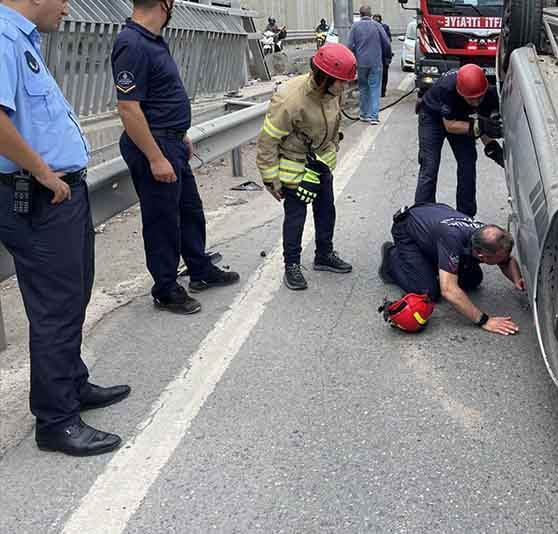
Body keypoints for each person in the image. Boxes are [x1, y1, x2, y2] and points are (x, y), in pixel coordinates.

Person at [0, 0, 131, 456]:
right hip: (37, 195)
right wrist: (43, 173)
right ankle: (56, 420)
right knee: (55, 306)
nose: (68, 6)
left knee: (75, 291)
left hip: (58, 193)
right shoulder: (1, 36)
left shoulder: (21, 40)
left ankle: (72, 384)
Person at [112, 0, 240, 315]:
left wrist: (180, 133)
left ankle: (199, 270)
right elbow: (129, 108)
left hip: (170, 141)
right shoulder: (131, 43)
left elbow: (160, 93)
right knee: (162, 222)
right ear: (163, 4)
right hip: (153, 145)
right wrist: (156, 158)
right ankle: (166, 289)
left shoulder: (152, 40)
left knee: (189, 210)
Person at [256, 43, 356, 290]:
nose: (345, 87)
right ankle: (291, 265)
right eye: (341, 82)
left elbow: (334, 127)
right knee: (295, 219)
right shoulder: (290, 99)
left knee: (326, 211)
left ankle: (324, 254)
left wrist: (329, 156)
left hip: (320, 165)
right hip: (294, 168)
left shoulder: (332, 92)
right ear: (325, 78)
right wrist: (272, 181)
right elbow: (267, 141)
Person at [379, 203, 523, 336]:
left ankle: (429, 261)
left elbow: (507, 261)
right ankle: (391, 257)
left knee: (473, 279)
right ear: (481, 254)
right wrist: (485, 321)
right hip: (407, 229)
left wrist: (517, 280)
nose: (505, 260)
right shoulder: (453, 239)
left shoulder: (488, 236)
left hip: (433, 225)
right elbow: (448, 291)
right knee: (428, 292)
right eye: (499, 259)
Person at [414, 64, 503, 217]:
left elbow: (482, 125)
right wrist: (480, 126)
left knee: (468, 162)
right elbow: (450, 126)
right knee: (430, 165)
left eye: (479, 98)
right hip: (432, 117)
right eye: (472, 99)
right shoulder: (447, 89)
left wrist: (493, 148)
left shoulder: (487, 92)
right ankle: (422, 215)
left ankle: (466, 215)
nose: (476, 102)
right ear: (461, 93)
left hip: (461, 118)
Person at [347, 5, 390, 125]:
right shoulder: (377, 25)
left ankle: (364, 114)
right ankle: (374, 117)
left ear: (360, 14)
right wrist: (387, 57)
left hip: (361, 63)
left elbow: (349, 46)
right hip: (376, 62)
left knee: (363, 87)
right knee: (375, 88)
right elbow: (386, 43)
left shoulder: (355, 26)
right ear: (370, 14)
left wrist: (352, 59)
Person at [372, 14, 391, 98]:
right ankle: (380, 91)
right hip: (379, 55)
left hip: (382, 55)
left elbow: (388, 42)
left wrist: (388, 57)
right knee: (381, 74)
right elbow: (388, 42)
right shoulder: (372, 28)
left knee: (383, 74)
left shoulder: (384, 27)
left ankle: (381, 91)